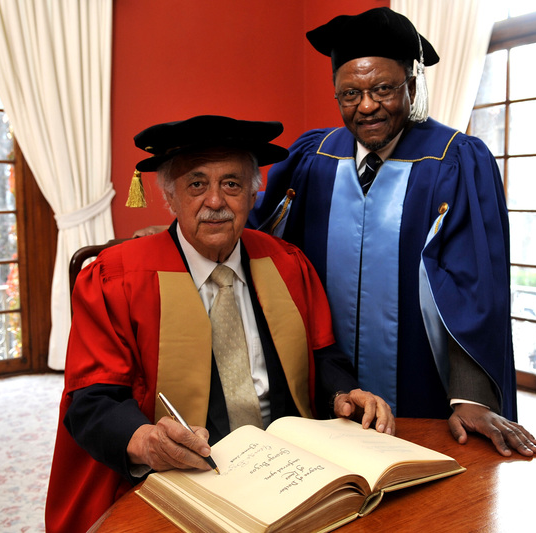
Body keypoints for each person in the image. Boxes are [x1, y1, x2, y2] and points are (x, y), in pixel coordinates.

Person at [45, 114, 394, 533]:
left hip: (290, 464)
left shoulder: (286, 263)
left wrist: (343, 393)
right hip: (180, 475)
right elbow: (92, 400)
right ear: (170, 198)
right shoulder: (114, 278)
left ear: (252, 193)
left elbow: (323, 354)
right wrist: (145, 441)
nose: (215, 201)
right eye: (196, 184)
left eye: (231, 184)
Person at [248, 8, 536, 458]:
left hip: (423, 386)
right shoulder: (312, 158)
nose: (366, 105)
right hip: (326, 384)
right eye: (350, 93)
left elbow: (475, 286)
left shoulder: (454, 160)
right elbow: (256, 237)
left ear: (412, 85)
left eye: (383, 88)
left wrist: (471, 398)